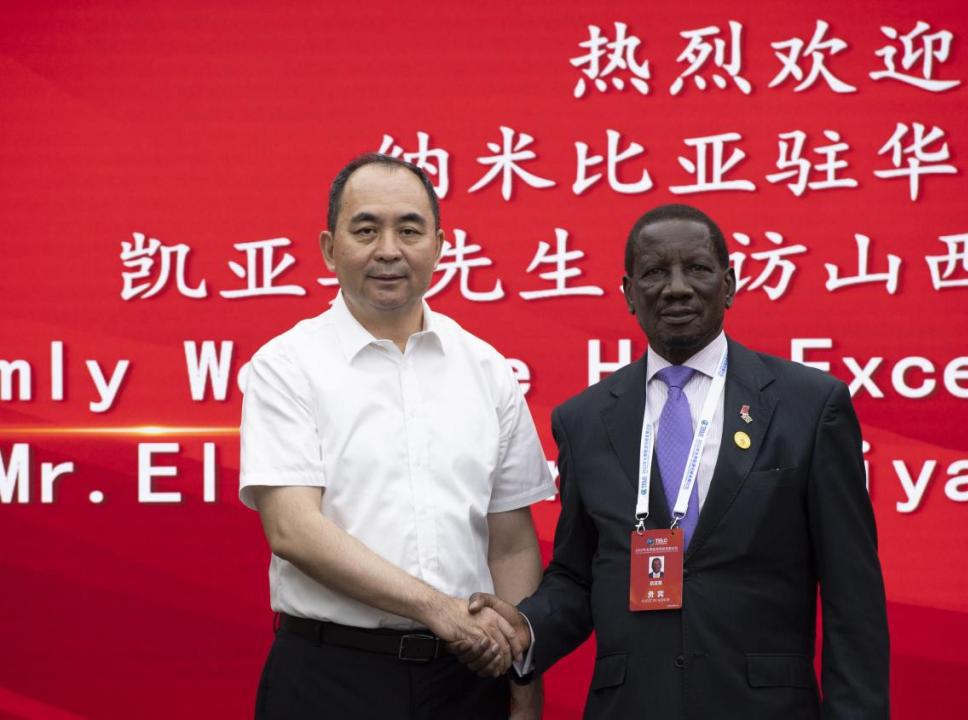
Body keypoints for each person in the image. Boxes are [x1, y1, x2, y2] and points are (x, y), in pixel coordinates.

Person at [470, 204, 889, 718]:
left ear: (729, 285)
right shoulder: (584, 421)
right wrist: (526, 627)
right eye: (654, 273)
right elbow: (579, 576)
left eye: (697, 268)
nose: (676, 288)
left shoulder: (809, 406)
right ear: (629, 293)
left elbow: (853, 591)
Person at [239, 153, 552, 719]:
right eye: (366, 230)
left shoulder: (486, 369)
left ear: (439, 246)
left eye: (409, 230)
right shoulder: (287, 365)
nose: (388, 250)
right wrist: (438, 610)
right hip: (332, 676)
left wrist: (523, 682)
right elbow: (293, 529)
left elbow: (510, 543)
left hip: (467, 682)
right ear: (330, 249)